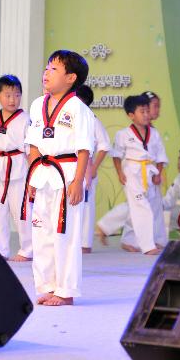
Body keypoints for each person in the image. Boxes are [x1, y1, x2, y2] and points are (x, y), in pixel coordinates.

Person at [24, 50, 94, 306]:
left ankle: (66, 291)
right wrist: (31, 179)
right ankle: (48, 285)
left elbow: (85, 148)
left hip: (67, 173)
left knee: (66, 234)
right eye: (46, 68)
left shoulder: (78, 109)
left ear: (71, 78)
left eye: (53, 69)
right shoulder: (36, 104)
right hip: (42, 173)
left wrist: (78, 181)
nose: (46, 73)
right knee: (41, 231)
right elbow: (32, 145)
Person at [0, 75, 32, 260]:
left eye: (17, 95)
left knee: (21, 212)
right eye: (8, 95)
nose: (12, 100)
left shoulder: (26, 119)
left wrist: (33, 173)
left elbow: (30, 149)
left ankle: (27, 249)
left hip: (18, 169)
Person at [111, 95, 168, 255]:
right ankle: (148, 246)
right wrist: (120, 173)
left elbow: (161, 155)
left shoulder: (154, 133)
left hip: (150, 172)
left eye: (147, 111)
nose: (146, 114)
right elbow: (116, 155)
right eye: (142, 111)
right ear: (131, 115)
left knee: (153, 208)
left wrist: (159, 173)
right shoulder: (123, 134)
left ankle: (139, 240)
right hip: (132, 173)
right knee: (141, 209)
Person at [75, 85, 111, 253]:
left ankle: (85, 244)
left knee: (86, 206)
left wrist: (95, 167)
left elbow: (104, 145)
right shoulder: (69, 118)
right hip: (69, 167)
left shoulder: (92, 119)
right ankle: (72, 242)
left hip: (87, 168)